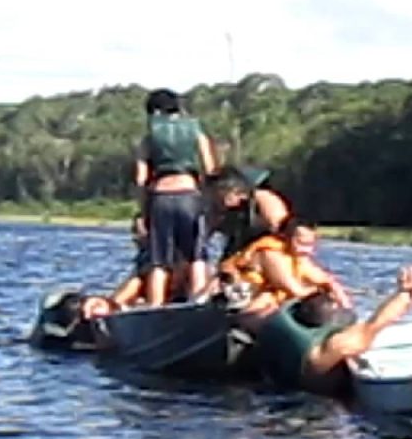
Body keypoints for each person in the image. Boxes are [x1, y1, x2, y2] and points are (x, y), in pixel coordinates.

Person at [254, 267, 412, 396]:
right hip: (317, 408)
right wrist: (406, 293)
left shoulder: (274, 324)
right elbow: (375, 324)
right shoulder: (331, 348)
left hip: (276, 393)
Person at [134, 88, 218, 306]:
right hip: (189, 194)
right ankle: (198, 302)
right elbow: (210, 169)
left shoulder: (148, 138)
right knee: (196, 256)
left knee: (159, 260)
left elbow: (141, 179)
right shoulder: (196, 131)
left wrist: (143, 213)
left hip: (160, 198)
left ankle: (155, 306)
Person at [210, 216, 351, 311]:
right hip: (232, 301)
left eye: (310, 245)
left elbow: (327, 280)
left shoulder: (299, 257)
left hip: (255, 301)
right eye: (301, 243)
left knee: (273, 299)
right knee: (268, 298)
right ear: (284, 237)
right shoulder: (271, 254)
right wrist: (320, 292)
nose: (306, 250)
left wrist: (344, 305)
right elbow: (295, 291)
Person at [206, 165, 291, 261]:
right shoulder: (227, 213)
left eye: (221, 195)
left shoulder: (262, 198)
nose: (217, 200)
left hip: (272, 253)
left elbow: (282, 228)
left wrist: (256, 248)